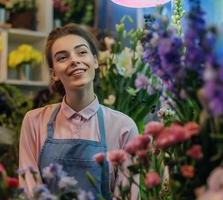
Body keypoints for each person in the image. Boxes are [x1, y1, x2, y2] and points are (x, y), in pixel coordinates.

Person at [19, 23, 139, 199]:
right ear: (54, 73)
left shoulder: (123, 127)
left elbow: (128, 195)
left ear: (96, 61)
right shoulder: (34, 121)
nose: (74, 60)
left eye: (82, 52)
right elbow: (30, 190)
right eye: (62, 57)